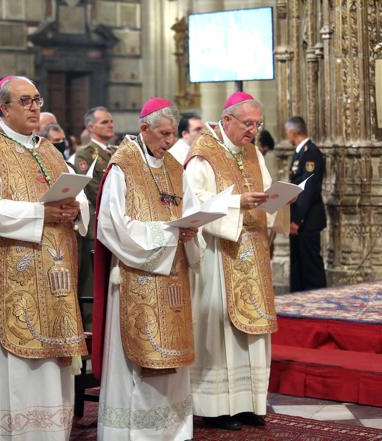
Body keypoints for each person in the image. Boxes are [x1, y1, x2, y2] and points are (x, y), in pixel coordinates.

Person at [0, 75, 89, 441]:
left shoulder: (50, 151)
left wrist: (75, 209)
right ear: (4, 109)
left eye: (37, 99)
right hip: (4, 273)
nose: (35, 107)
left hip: (53, 279)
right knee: (11, 368)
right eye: (25, 101)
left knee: (52, 369)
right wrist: (41, 214)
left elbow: (78, 194)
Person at [93, 98, 203, 440]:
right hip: (135, 276)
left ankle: (174, 430)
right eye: (164, 134)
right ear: (144, 128)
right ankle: (134, 432)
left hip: (173, 277)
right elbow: (113, 226)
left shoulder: (174, 167)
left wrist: (190, 230)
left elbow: (191, 209)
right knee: (137, 361)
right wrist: (170, 233)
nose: (169, 141)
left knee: (173, 360)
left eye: (172, 134)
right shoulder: (122, 166)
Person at [185, 91, 279, 431]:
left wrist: (277, 198)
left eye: (257, 124)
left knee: (252, 334)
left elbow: (266, 189)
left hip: (252, 250)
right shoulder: (203, 156)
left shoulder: (252, 152)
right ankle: (214, 407)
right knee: (220, 330)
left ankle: (247, 403)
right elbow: (195, 206)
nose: (253, 130)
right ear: (227, 121)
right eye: (248, 123)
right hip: (218, 254)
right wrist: (238, 203)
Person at [73, 106, 116, 302]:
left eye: (111, 121)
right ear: (91, 127)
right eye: (104, 122)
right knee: (92, 280)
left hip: (116, 221)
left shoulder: (117, 151)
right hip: (96, 222)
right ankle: (91, 326)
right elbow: (93, 188)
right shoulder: (85, 154)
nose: (110, 125)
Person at [285, 116, 327, 292]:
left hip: (307, 219)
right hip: (299, 217)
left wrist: (297, 220)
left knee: (310, 263)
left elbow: (308, 189)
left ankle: (317, 298)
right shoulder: (300, 152)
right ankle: (298, 295)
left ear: (292, 132)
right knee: (299, 261)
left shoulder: (310, 153)